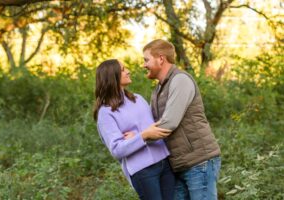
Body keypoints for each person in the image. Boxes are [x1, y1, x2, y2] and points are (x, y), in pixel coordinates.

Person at [141, 39, 221, 200]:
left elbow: (169, 123)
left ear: (161, 59)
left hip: (199, 161)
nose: (144, 65)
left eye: (146, 60)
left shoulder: (180, 80)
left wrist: (139, 138)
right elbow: (150, 123)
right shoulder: (157, 90)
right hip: (178, 165)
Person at [93, 59, 175, 200]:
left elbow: (155, 129)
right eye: (123, 69)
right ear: (112, 76)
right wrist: (143, 136)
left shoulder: (138, 99)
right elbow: (117, 149)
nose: (128, 71)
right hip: (143, 171)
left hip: (164, 162)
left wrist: (139, 135)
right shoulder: (105, 113)